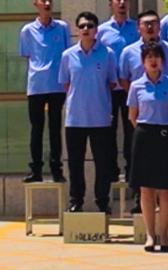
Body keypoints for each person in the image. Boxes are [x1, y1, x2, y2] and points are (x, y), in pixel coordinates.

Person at [60, 11, 120, 213]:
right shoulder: (67, 55)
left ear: (96, 30)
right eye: (82, 26)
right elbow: (66, 84)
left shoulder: (108, 54)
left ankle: (102, 201)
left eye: (90, 26)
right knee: (75, 163)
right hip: (75, 118)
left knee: (103, 163)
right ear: (77, 30)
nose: (86, 29)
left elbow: (112, 82)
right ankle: (76, 200)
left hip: (100, 118)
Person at [130, 42, 168, 251]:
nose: (153, 60)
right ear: (143, 61)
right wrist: (147, 131)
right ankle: (150, 235)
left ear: (162, 61)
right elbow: (132, 116)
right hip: (144, 136)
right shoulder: (136, 86)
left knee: (166, 191)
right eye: (149, 57)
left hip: (167, 136)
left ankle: (165, 234)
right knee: (146, 189)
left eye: (156, 57)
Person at [19, 0, 70, 183]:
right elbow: (28, 57)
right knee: (37, 129)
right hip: (36, 86)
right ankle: (36, 169)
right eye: (43, 0)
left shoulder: (62, 28)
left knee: (55, 128)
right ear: (36, 4)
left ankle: (56, 169)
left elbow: (68, 55)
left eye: (50, 0)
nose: (47, 4)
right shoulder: (27, 31)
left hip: (57, 85)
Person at [101, 0, 141, 181]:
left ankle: (132, 170)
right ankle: (111, 171)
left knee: (131, 131)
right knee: (108, 131)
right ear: (111, 4)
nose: (122, 3)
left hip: (130, 89)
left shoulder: (137, 28)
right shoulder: (101, 31)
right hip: (108, 90)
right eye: (118, 0)